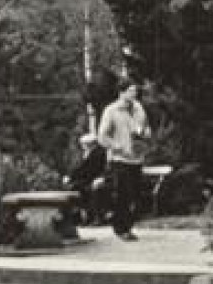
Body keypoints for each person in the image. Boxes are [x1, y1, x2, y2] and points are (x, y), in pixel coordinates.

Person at [96, 81, 149, 241]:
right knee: (123, 195)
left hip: (136, 157)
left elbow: (146, 126)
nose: (134, 94)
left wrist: (145, 134)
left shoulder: (139, 108)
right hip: (120, 159)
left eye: (135, 91)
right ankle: (121, 228)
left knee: (136, 195)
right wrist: (116, 146)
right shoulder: (111, 111)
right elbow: (102, 136)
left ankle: (128, 226)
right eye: (131, 91)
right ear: (122, 92)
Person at [62, 133, 108, 226]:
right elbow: (80, 168)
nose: (82, 146)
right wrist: (70, 176)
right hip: (89, 178)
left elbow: (90, 169)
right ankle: (81, 217)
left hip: (97, 178)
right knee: (74, 188)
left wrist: (71, 177)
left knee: (79, 188)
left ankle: (92, 217)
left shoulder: (99, 153)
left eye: (84, 144)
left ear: (91, 144)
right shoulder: (88, 152)